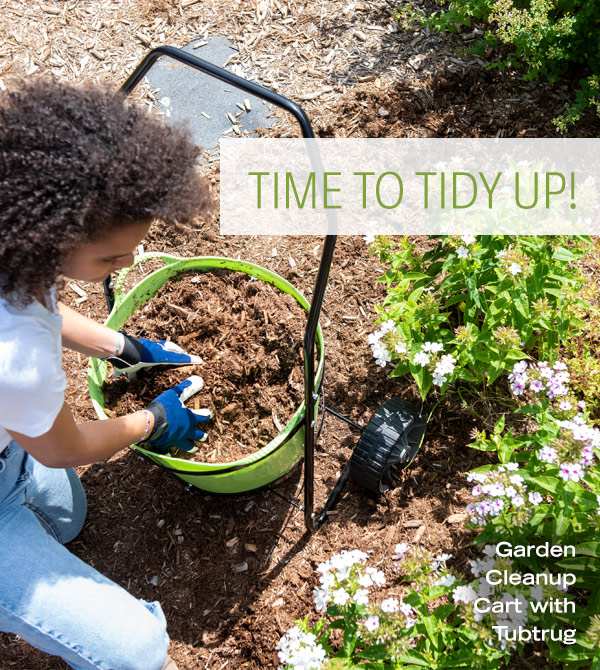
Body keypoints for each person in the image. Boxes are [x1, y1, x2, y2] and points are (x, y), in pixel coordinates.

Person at [0, 79, 214, 670]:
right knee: (136, 651)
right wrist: (153, 418)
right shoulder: (13, 359)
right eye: (112, 258)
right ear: (54, 232)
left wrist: (120, 346)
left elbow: (33, 300)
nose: (126, 265)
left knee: (67, 521)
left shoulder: (12, 238)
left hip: (9, 460)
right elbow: (65, 448)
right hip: (21, 457)